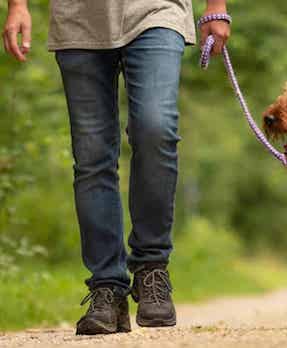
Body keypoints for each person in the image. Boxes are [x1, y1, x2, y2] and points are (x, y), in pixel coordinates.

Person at [3, 0, 230, 335]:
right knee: (92, 156)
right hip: (77, 18)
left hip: (157, 10)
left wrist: (216, 6)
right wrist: (17, 5)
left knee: (156, 128)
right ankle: (106, 288)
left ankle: (152, 267)